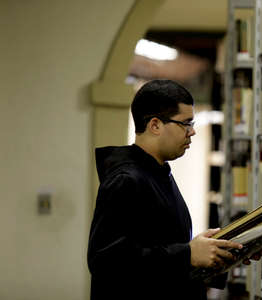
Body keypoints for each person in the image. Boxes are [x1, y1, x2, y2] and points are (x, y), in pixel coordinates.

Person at [87, 79, 243, 300]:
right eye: (185, 123)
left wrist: (214, 255)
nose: (192, 132)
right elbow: (106, 262)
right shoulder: (126, 180)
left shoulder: (157, 173)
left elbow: (160, 254)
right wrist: (188, 254)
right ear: (155, 125)